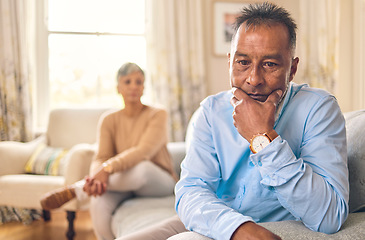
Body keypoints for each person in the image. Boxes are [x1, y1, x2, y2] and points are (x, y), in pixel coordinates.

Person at [117, 2, 349, 240]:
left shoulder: (319, 109)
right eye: (243, 62)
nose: (254, 79)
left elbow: (329, 215)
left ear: (292, 69)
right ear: (230, 62)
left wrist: (262, 137)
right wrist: (237, 228)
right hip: (213, 219)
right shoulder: (211, 111)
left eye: (270, 64)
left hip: (270, 225)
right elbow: (191, 190)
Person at [40, 62, 178, 240]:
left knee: (142, 168)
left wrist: (106, 169)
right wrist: (96, 178)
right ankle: (88, 188)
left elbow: (143, 151)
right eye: (127, 82)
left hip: (157, 181)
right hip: (123, 183)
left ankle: (80, 188)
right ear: (118, 87)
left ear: (144, 87)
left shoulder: (158, 114)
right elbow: (101, 157)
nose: (134, 86)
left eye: (139, 82)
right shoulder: (108, 120)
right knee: (98, 200)